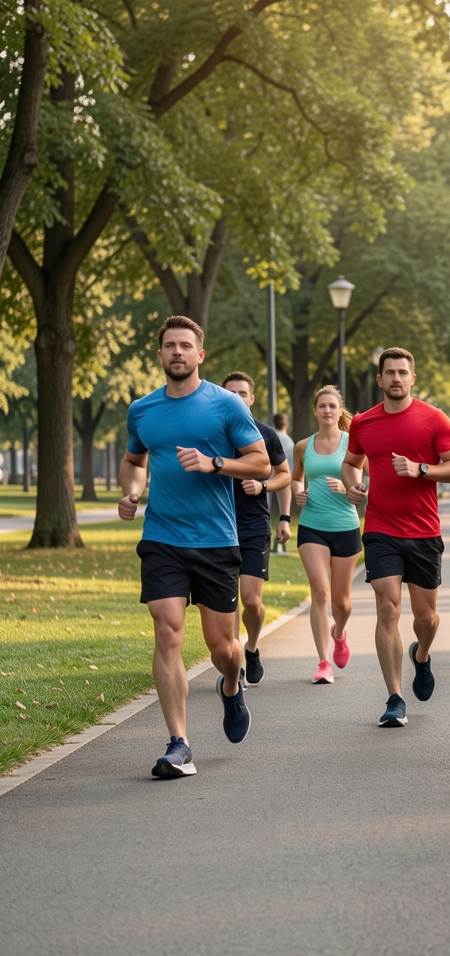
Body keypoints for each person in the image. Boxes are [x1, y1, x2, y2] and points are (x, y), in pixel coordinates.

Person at [119, 316, 271, 779]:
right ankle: (178, 743)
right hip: (162, 536)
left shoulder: (225, 406)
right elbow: (133, 460)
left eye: (186, 345)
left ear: (200, 355)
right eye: (170, 346)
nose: (178, 352)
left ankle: (231, 683)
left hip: (216, 540)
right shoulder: (142, 410)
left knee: (223, 646)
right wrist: (132, 490)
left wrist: (215, 462)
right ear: (160, 354)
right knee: (167, 630)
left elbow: (261, 464)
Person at [341, 348, 450, 727]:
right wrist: (354, 485)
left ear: (413, 378)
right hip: (380, 529)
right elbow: (350, 464)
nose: (396, 378)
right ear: (379, 380)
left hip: (424, 530)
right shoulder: (363, 423)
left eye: (402, 372)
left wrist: (420, 469)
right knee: (388, 607)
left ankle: (421, 654)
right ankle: (394, 697)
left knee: (426, 617)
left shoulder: (433, 419)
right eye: (389, 372)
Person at [221, 372, 292, 687]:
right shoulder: (214, 434)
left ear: (251, 398)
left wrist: (263, 486)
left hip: (254, 527)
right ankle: (233, 661)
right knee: (228, 601)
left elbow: (285, 475)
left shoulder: (265, 435)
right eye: (230, 393)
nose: (236, 398)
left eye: (242, 393)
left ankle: (251, 647)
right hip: (219, 527)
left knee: (250, 598)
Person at [292, 386, 363, 685]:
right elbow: (295, 478)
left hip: (346, 525)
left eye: (332, 406)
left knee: (341, 603)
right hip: (312, 525)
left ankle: (339, 633)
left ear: (339, 409)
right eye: (321, 406)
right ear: (315, 410)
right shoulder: (302, 446)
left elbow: (372, 477)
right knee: (320, 592)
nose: (327, 411)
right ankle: (323, 662)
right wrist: (298, 494)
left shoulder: (353, 443)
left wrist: (350, 490)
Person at [272, 413, 295, 553]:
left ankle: (270, 544)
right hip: (282, 482)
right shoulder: (289, 442)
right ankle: (280, 545)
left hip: (266, 480)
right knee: (283, 514)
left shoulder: (268, 436)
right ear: (285, 424)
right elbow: (290, 466)